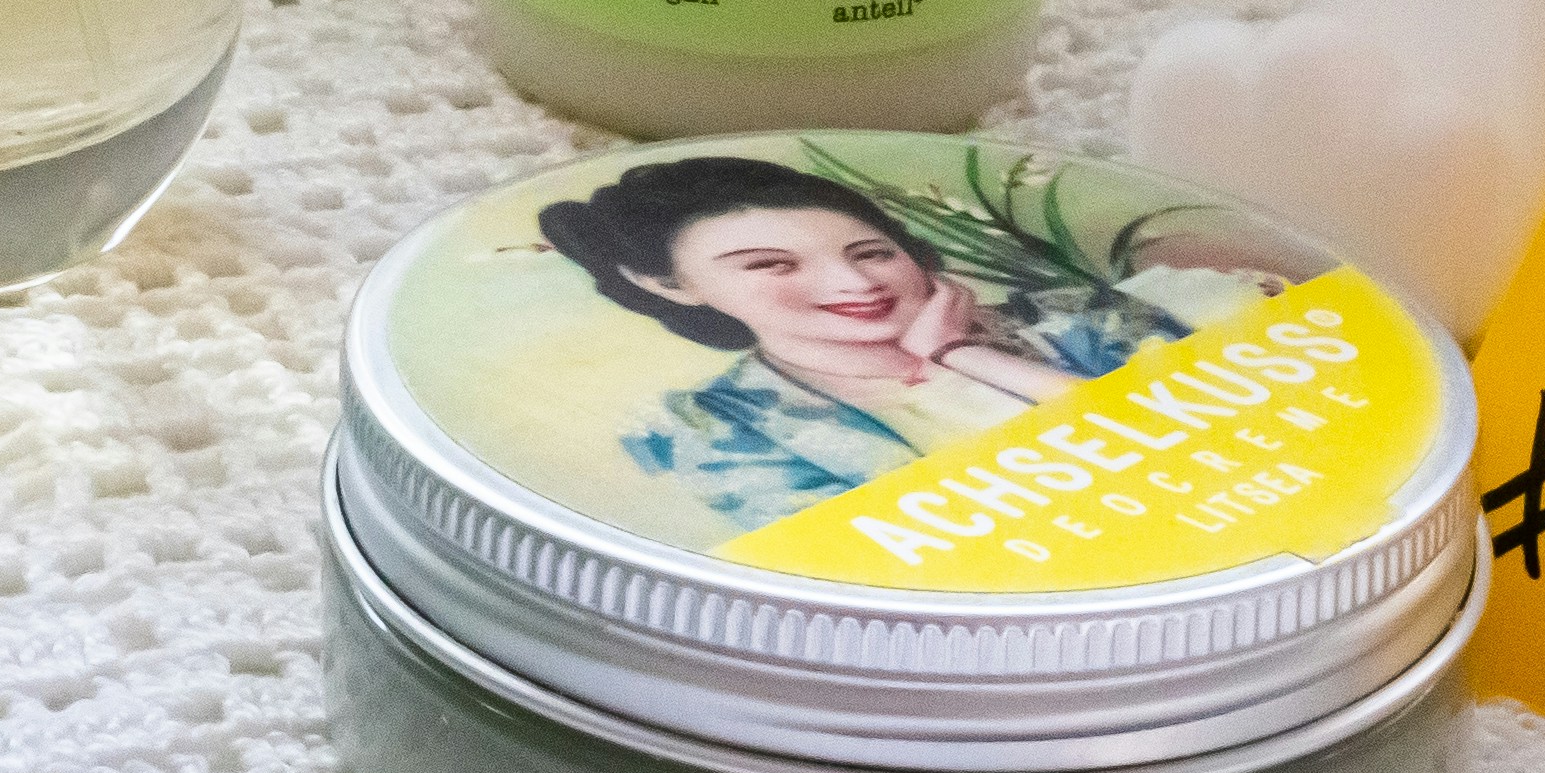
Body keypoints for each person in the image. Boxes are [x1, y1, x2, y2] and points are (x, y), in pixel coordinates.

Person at [539, 156, 1273, 530]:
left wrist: (966, 356)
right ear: (670, 285)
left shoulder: (1074, 319)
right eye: (770, 264)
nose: (852, 283)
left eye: (870, 251)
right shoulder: (709, 431)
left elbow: (1216, 440)